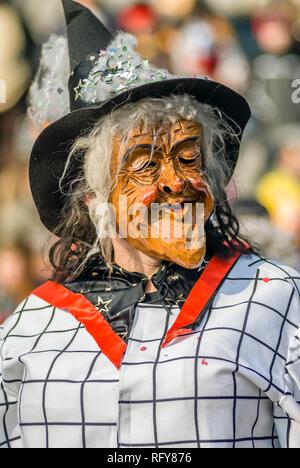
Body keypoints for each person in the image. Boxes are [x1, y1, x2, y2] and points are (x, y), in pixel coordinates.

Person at [1, 0, 300, 449]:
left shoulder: (279, 300)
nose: (177, 182)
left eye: (187, 158)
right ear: (91, 195)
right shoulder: (26, 331)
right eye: (144, 165)